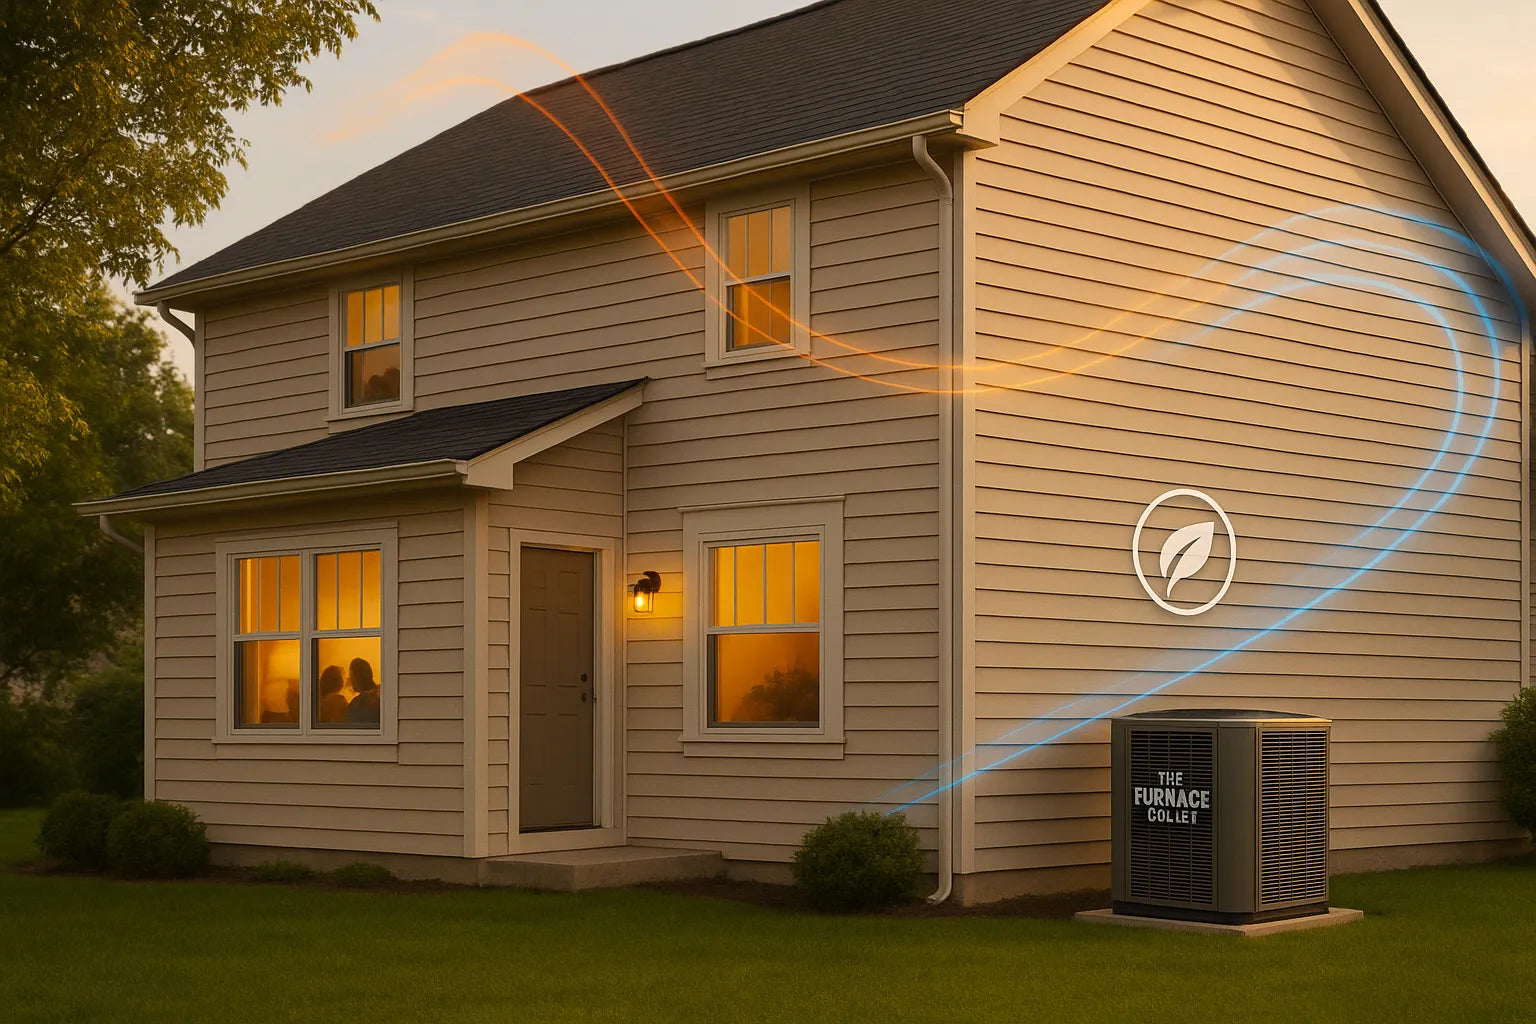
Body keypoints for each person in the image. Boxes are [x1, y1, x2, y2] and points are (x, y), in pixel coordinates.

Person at [346, 657, 381, 726]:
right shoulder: (383, 696)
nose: (350, 680)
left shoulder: (357, 704)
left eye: (351, 675)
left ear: (358, 677)